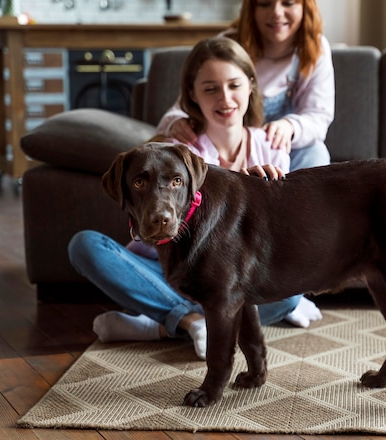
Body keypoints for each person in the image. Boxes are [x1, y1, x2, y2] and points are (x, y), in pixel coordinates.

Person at [68, 37, 322, 361]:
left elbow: (277, 245)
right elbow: (146, 219)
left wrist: (267, 194)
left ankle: (163, 324)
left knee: (288, 295)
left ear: (251, 86)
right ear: (192, 94)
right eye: (211, 88)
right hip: (166, 270)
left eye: (234, 85)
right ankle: (192, 320)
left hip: (232, 280)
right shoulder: (176, 151)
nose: (225, 98)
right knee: (84, 246)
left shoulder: (272, 148)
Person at [157, 0, 334, 172]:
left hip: (280, 145)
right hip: (220, 142)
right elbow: (184, 105)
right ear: (251, 9)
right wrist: (175, 122)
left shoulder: (315, 49)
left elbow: (318, 115)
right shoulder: (227, 45)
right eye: (264, 4)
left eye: (288, 3)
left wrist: (290, 127)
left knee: (316, 152)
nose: (277, 13)